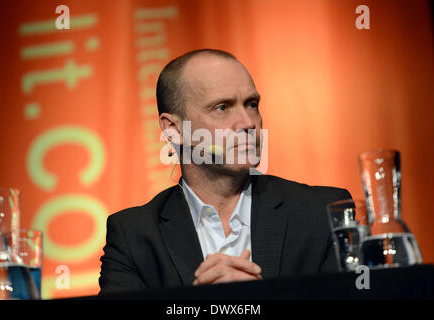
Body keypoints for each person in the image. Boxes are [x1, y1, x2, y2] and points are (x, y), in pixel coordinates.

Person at [98, 49, 351, 294]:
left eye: (252, 104)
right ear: (174, 129)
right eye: (222, 107)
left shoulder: (326, 212)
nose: (248, 122)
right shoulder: (134, 236)